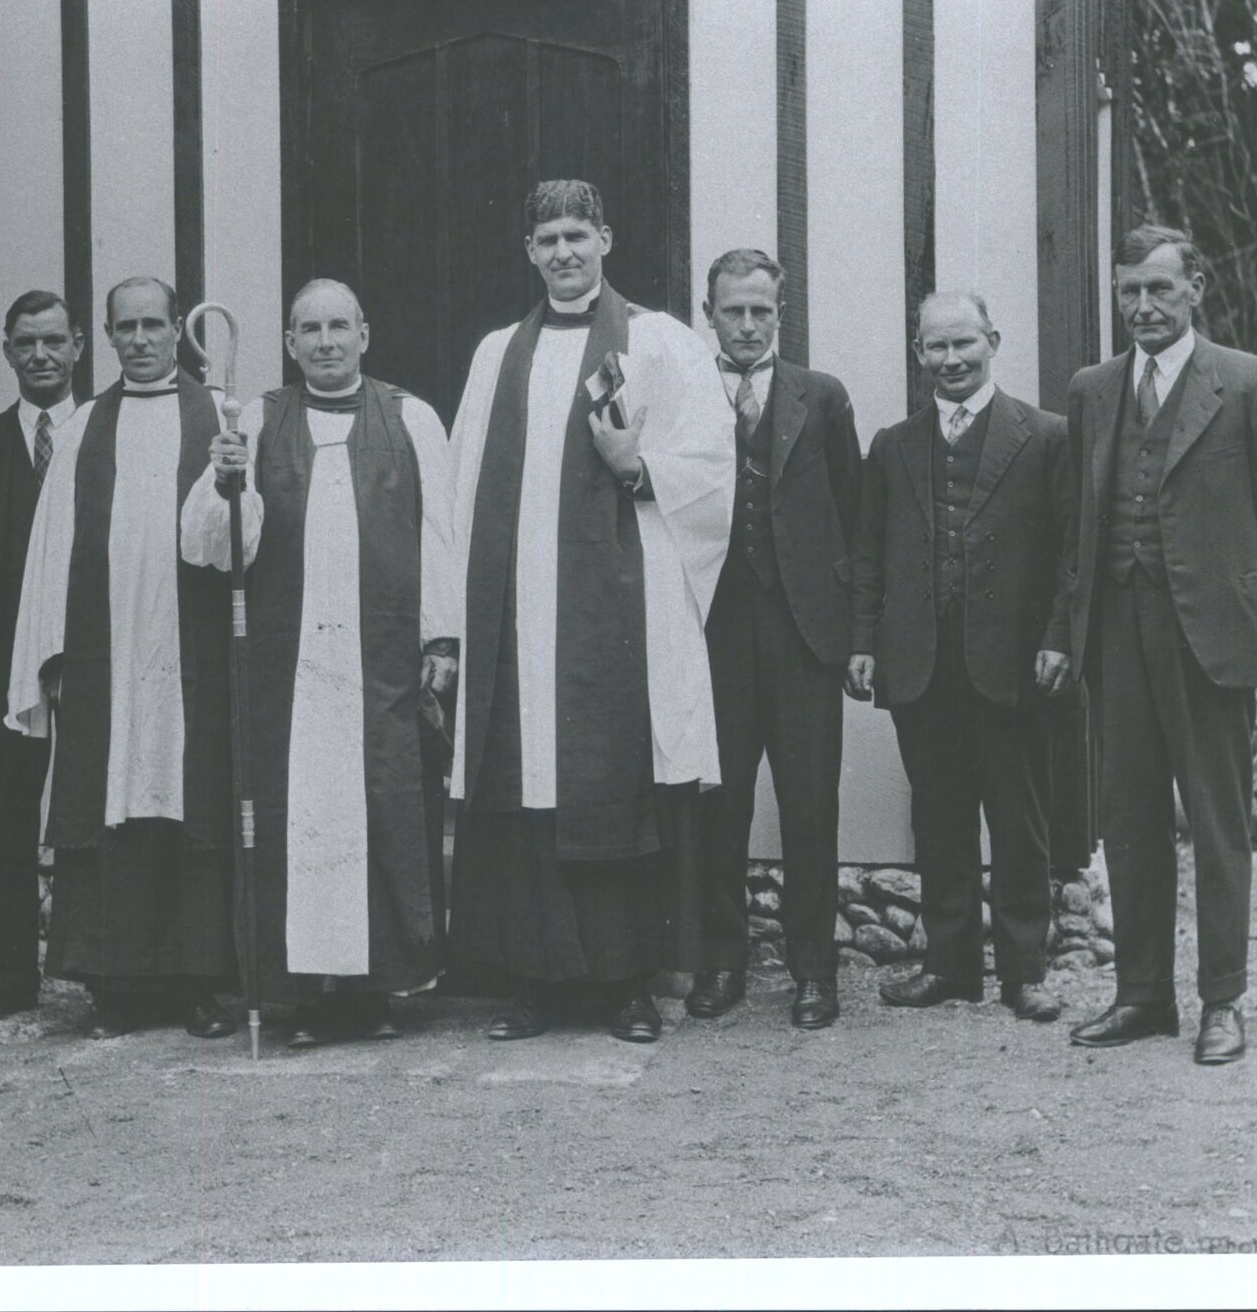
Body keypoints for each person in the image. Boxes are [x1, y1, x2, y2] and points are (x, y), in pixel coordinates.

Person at [445, 180, 734, 1044]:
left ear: (606, 238)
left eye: (578, 235)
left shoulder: (660, 341)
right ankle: (535, 982)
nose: (564, 252)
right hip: (516, 613)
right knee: (526, 786)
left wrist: (635, 465)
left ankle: (623, 985)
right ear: (528, 253)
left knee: (613, 785)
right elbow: (464, 481)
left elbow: (712, 470)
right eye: (547, 240)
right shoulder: (498, 352)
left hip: (618, 605)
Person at [1064, 225, 1257, 1065]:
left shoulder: (1250, 384)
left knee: (1216, 823)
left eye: (1159, 290)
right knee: (1128, 818)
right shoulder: (1094, 389)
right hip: (1117, 634)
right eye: (1129, 290)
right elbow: (1080, 520)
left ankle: (1222, 1001)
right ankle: (1141, 995)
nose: (1142, 306)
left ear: (1195, 288)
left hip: (1208, 639)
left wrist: (1246, 612)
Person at [182, 279, 458, 1048]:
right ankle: (294, 991)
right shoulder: (261, 418)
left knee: (380, 810)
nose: (326, 342)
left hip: (380, 663)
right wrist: (227, 480)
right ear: (289, 342)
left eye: (340, 326)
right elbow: (213, 545)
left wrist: (441, 639)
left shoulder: (410, 417)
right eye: (311, 329)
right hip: (291, 666)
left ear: (365, 334)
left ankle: (369, 992)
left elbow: (439, 532)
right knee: (294, 821)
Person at [4, 276, 239, 1039]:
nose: (139, 339)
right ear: (104, 337)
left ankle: (200, 981)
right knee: (113, 802)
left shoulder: (218, 418)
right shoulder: (81, 431)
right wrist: (50, 655)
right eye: (124, 327)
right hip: (107, 654)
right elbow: (52, 548)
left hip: (190, 655)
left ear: (179, 330)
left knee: (189, 799)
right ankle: (115, 985)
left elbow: (243, 541)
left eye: (152, 324)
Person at [846, 292, 1074, 1023]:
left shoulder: (1043, 438)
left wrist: (1056, 639)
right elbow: (868, 555)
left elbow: (1071, 557)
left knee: (1018, 821)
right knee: (938, 820)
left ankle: (1022, 972)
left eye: (962, 345)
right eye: (933, 348)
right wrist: (862, 642)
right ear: (917, 354)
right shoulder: (892, 446)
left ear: (992, 342)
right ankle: (947, 966)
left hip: (1012, 667)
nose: (949, 361)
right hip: (921, 666)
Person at [695, 249, 860, 1030]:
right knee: (717, 806)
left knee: (807, 807)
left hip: (803, 635)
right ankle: (720, 961)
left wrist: (856, 633)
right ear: (710, 315)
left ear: (779, 314)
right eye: (734, 311)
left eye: (762, 310)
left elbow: (853, 519)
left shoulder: (819, 397)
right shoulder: (684, 393)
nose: (749, 325)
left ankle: (813, 973)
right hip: (712, 632)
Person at [0, 291, 84, 1025]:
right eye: (26, 343)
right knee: (8, 825)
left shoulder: (104, 432)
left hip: (94, 666)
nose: (40, 356)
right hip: (8, 671)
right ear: (6, 351)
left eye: (54, 342)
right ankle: (12, 982)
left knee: (97, 819)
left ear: (76, 349)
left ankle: (105, 971)